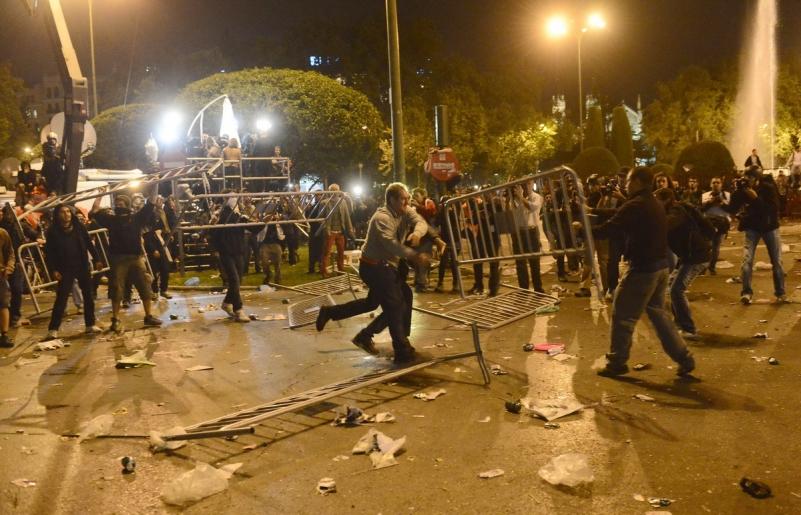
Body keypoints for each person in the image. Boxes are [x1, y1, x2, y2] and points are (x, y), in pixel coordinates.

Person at [589, 167, 696, 377]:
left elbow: (612, 226)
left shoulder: (637, 204)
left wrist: (584, 230)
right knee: (659, 316)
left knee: (622, 314)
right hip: (660, 268)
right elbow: (620, 215)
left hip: (643, 269)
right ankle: (684, 357)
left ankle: (617, 362)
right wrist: (593, 211)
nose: (625, 185)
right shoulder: (652, 202)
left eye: (628, 181)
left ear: (638, 181)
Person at [315, 183, 429, 364]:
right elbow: (391, 245)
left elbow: (420, 221)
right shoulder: (381, 218)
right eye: (403, 198)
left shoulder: (404, 210)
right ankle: (402, 350)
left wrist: (416, 233)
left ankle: (335, 316)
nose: (407, 202)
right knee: (396, 305)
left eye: (408, 198)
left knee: (375, 303)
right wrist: (414, 256)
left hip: (386, 266)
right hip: (374, 267)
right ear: (391, 199)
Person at [91, 188, 163, 332]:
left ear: (127, 205)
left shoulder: (136, 218)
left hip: (136, 257)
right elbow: (94, 211)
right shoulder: (111, 219)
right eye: (117, 203)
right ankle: (116, 319)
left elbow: (151, 203)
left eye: (122, 203)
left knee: (144, 286)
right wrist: (100, 195)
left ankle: (148, 316)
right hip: (118, 258)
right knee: (117, 289)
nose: (119, 205)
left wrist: (155, 185)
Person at [654, 188, 715, 340]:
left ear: (667, 200)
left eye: (657, 200)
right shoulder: (671, 211)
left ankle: (689, 328)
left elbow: (667, 224)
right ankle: (680, 324)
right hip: (689, 257)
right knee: (672, 288)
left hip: (697, 257)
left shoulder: (677, 212)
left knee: (676, 290)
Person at [726, 167, 786, 304]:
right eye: (745, 178)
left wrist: (756, 198)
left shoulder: (768, 188)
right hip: (752, 227)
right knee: (747, 260)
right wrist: (737, 191)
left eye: (749, 178)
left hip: (770, 227)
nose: (747, 181)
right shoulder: (744, 189)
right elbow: (732, 208)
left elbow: (772, 209)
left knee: (776, 261)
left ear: (756, 178)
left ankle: (780, 292)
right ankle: (746, 293)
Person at [43, 205, 103, 340]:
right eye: (63, 212)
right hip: (65, 269)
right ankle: (53, 329)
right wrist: (53, 270)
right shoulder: (53, 231)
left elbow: (89, 244)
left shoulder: (79, 227)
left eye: (68, 211)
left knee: (88, 296)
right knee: (61, 298)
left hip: (82, 266)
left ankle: (90, 325)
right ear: (57, 215)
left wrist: (98, 259)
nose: (66, 214)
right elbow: (49, 253)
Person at [210, 194, 251, 322]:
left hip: (238, 251)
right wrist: (215, 249)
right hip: (226, 252)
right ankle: (238, 309)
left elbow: (252, 228)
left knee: (238, 280)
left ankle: (227, 303)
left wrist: (264, 222)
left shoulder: (239, 215)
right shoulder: (223, 215)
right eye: (232, 198)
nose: (235, 201)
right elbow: (213, 234)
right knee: (234, 280)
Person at [508, 182, 544, 292]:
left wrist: (520, 196)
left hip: (531, 231)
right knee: (520, 263)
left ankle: (538, 288)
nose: (524, 186)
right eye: (522, 184)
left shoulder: (536, 197)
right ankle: (524, 289)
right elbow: (509, 211)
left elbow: (531, 207)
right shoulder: (515, 199)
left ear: (532, 184)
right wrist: (508, 198)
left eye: (527, 184)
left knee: (534, 262)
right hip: (518, 233)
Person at [320, 184, 354, 278]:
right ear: (329, 191)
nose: (335, 192)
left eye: (336, 190)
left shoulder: (342, 202)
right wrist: (325, 228)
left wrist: (349, 229)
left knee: (341, 251)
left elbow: (347, 216)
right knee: (326, 252)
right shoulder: (324, 202)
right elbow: (320, 217)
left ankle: (341, 270)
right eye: (333, 190)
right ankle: (323, 271)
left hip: (340, 231)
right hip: (330, 231)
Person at [700, 177, 731, 274]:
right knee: (707, 245)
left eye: (718, 182)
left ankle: (712, 267)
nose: (716, 184)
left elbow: (730, 209)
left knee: (716, 246)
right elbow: (701, 209)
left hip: (722, 222)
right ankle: (703, 267)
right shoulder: (705, 195)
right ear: (710, 184)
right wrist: (710, 202)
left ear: (721, 184)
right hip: (708, 222)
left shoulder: (727, 195)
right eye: (714, 182)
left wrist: (721, 202)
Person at [0, 219, 14, 349]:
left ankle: (4, 335)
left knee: (3, 304)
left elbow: (10, 252)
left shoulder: (2, 233)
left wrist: (9, 268)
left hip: (1, 275)